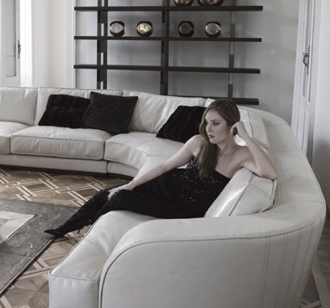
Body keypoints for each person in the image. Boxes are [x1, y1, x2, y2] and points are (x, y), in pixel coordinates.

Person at [45, 99, 278, 238]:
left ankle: (90, 229)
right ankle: (64, 229)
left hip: (180, 209)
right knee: (106, 193)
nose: (209, 129)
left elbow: (270, 173)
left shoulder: (241, 155)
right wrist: (132, 183)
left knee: (120, 198)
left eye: (215, 123)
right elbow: (166, 165)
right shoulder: (198, 142)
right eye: (207, 122)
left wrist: (246, 136)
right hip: (165, 186)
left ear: (232, 126)